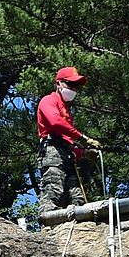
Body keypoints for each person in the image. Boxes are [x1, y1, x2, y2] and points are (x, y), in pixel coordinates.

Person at [35, 66, 102, 214]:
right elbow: (55, 122)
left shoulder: (66, 109)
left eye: (76, 86)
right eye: (70, 84)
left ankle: (79, 228)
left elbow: (67, 143)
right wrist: (82, 138)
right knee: (52, 188)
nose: (74, 89)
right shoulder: (49, 100)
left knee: (77, 196)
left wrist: (83, 153)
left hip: (66, 155)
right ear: (58, 83)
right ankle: (47, 226)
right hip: (51, 151)